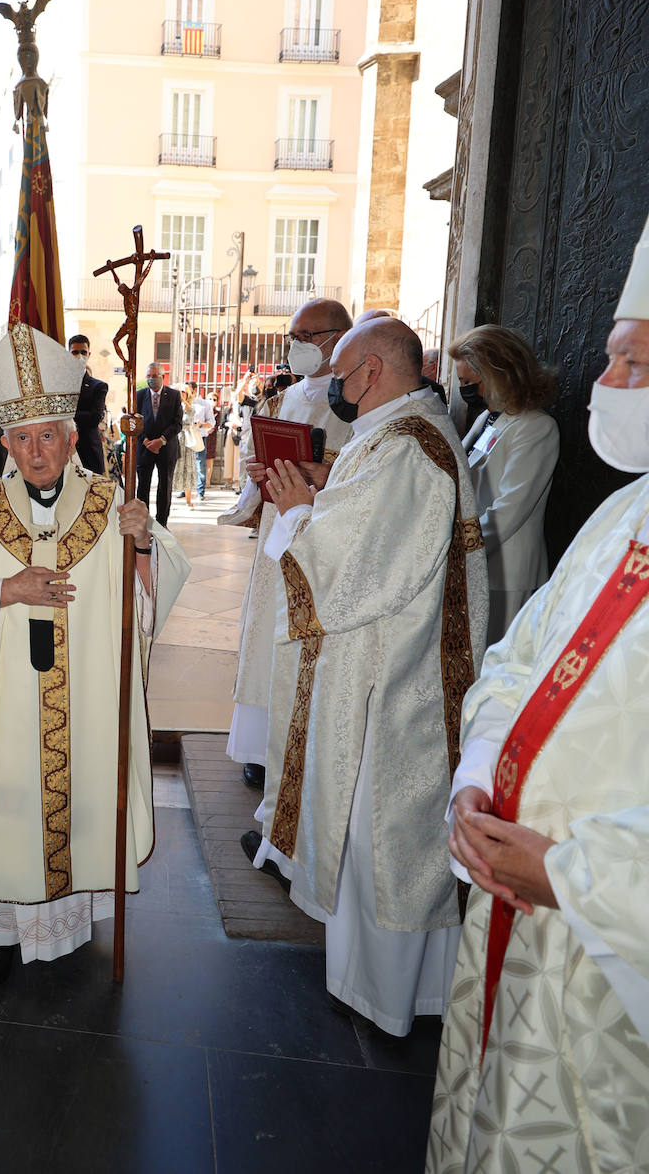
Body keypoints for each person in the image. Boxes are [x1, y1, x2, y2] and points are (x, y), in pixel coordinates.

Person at [427, 220, 649, 1174]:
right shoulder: (624, 513)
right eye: (612, 357)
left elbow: (498, 514)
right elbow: (522, 657)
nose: (612, 384)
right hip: (511, 902)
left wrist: (571, 875)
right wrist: (482, 770)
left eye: (638, 361)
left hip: (600, 952)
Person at [0, 322, 190, 981]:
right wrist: (4, 590)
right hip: (8, 696)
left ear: (72, 438)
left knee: (85, 796)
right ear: (4, 441)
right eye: (22, 438)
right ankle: (1, 932)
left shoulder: (109, 502)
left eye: (48, 435)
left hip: (90, 695)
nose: (36, 451)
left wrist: (145, 542)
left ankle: (70, 921)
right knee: (10, 799)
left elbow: (156, 592)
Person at [257, 317, 488, 1034]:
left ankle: (385, 999)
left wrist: (301, 513)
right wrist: (324, 488)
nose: (335, 382)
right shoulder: (398, 434)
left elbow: (352, 571)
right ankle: (380, 987)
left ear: (374, 373)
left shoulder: (410, 450)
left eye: (344, 369)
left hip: (393, 683)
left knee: (384, 838)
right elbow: (373, 526)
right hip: (386, 663)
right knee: (375, 836)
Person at [220, 299, 353, 793]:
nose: (296, 346)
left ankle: (294, 747)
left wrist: (323, 468)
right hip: (278, 528)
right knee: (264, 635)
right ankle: (257, 748)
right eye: (292, 337)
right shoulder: (279, 400)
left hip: (322, 534)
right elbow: (255, 462)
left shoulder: (354, 402)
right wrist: (257, 477)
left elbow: (362, 470)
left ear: (338, 336)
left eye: (306, 336)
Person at [449, 324, 560, 643]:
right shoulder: (488, 418)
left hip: (507, 572)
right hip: (477, 562)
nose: (466, 390)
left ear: (500, 374)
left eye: (470, 382)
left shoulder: (536, 427)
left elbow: (510, 509)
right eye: (461, 382)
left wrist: (459, 549)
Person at [135, 363, 182, 528]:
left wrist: (161, 440)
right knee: (143, 487)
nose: (151, 379)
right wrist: (145, 441)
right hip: (144, 448)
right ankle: (143, 522)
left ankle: (162, 523)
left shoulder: (174, 395)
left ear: (163, 377)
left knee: (165, 486)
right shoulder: (139, 395)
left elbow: (177, 423)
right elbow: (134, 421)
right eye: (148, 376)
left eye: (155, 376)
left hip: (166, 448)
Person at [68, 334, 108, 474]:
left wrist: (68, 414)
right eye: (75, 352)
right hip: (63, 450)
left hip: (88, 449)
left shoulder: (98, 386)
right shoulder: (59, 384)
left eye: (83, 352)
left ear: (89, 354)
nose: (79, 356)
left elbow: (95, 417)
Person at [172, 384, 202, 509]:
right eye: (178, 392)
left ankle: (189, 501)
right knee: (174, 469)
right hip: (175, 439)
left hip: (187, 441)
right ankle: (170, 500)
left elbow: (188, 421)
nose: (180, 394)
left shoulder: (191, 408)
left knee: (188, 469)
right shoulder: (171, 407)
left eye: (183, 392)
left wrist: (184, 404)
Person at [187, 381, 215, 500]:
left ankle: (200, 491)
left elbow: (211, 422)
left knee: (200, 465)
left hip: (199, 437)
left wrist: (200, 424)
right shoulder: (181, 404)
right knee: (186, 465)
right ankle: (185, 489)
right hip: (186, 438)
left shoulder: (204, 404)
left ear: (194, 390)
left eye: (187, 390)